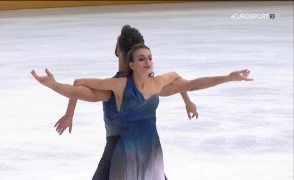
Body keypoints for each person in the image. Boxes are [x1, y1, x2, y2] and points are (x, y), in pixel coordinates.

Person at [31, 43, 253, 180]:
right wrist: (52, 84)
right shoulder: (118, 86)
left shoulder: (158, 83)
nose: (148, 61)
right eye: (141, 58)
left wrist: (227, 78)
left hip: (153, 151)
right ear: (132, 64)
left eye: (149, 57)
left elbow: (191, 83)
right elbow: (76, 89)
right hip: (126, 152)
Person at [53, 25, 198, 180]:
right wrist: (187, 101)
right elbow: (178, 80)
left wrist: (69, 114)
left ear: (119, 49)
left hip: (117, 148)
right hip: (145, 150)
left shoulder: (113, 87)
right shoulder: (149, 84)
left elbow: (77, 86)